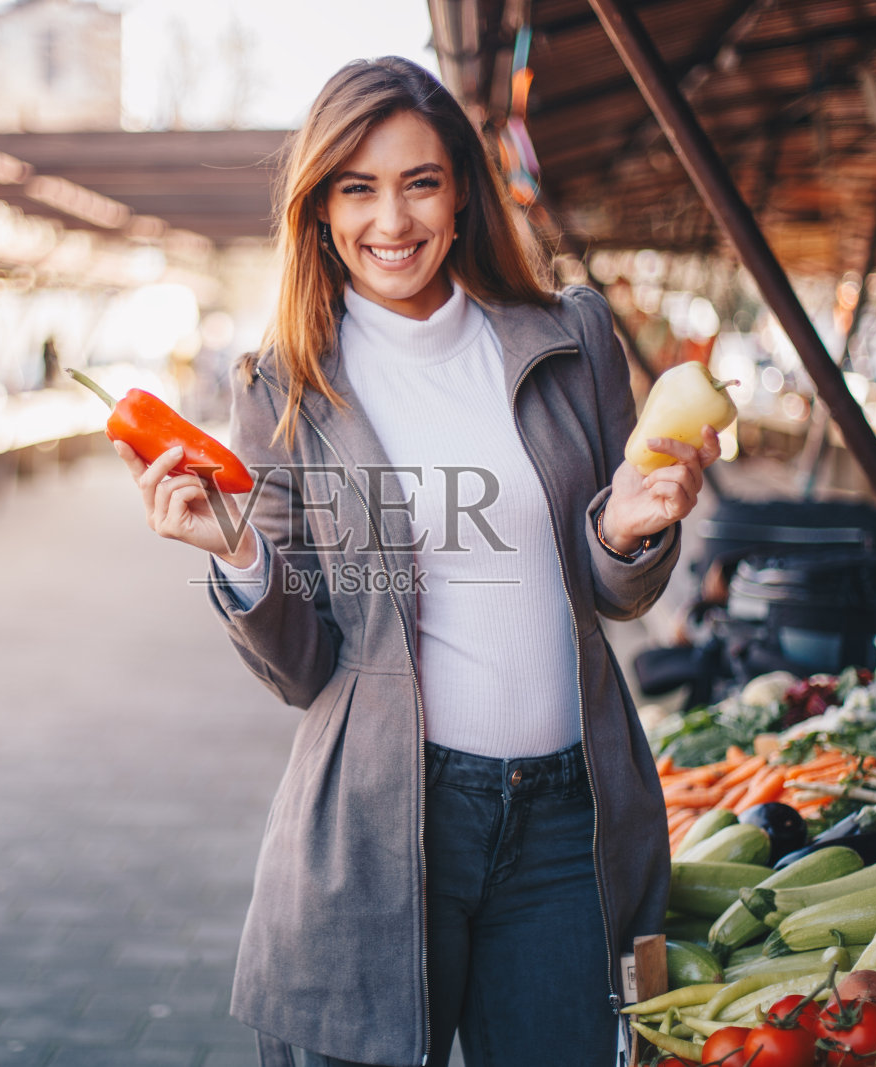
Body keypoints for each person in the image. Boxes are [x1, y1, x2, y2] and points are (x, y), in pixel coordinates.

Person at [114, 56, 720, 1067]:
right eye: (357, 187)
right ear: (318, 209)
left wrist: (626, 531)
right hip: (385, 820)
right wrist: (240, 554)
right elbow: (302, 666)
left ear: (461, 193)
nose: (389, 220)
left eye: (418, 182)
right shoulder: (282, 386)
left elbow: (615, 591)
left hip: (569, 820)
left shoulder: (568, 338)